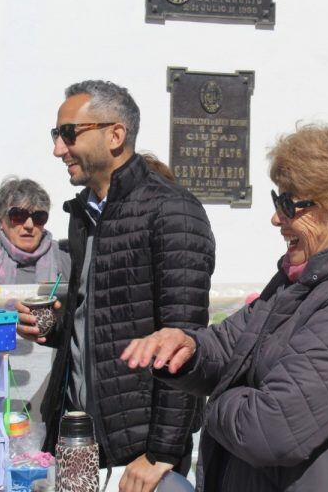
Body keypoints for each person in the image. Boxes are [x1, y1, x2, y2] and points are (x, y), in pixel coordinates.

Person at [122, 124, 328, 491]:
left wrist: (218, 397)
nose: (275, 218)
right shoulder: (301, 280)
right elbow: (230, 345)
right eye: (276, 200)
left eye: (289, 205)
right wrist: (188, 350)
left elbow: (269, 430)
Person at [16, 80, 215, 492]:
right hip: (78, 437)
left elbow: (185, 342)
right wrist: (57, 327)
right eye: (56, 135)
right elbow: (108, 316)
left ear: (116, 135)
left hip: (138, 453)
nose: (58, 149)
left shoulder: (172, 210)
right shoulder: (85, 213)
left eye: (68, 134)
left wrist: (160, 452)